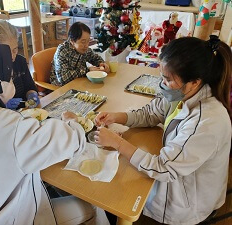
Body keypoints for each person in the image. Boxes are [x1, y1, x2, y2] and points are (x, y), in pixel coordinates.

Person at [0, 37, 107, 225]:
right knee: (94, 206)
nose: (11, 77)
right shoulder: (12, 128)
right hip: (11, 219)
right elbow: (74, 141)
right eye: (6, 73)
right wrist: (71, 121)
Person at [94, 36, 232, 224]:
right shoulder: (183, 93)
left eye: (167, 80)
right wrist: (116, 116)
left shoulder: (207, 121)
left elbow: (164, 168)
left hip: (187, 204)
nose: (162, 84)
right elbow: (152, 113)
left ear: (194, 82)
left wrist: (118, 143)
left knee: (120, 197)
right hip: (177, 176)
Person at [0, 19, 39, 110]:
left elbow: (29, 86)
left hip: (25, 111)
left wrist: (32, 95)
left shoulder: (20, 61)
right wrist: (3, 106)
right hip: (1, 117)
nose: (12, 56)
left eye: (15, 49)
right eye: (6, 52)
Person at [50, 22, 110, 86]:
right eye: (83, 42)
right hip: (61, 88)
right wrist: (87, 70)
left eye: (88, 41)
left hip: (78, 83)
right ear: (72, 41)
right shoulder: (63, 51)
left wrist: (101, 63)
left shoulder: (84, 49)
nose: (86, 45)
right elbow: (63, 78)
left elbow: (94, 58)